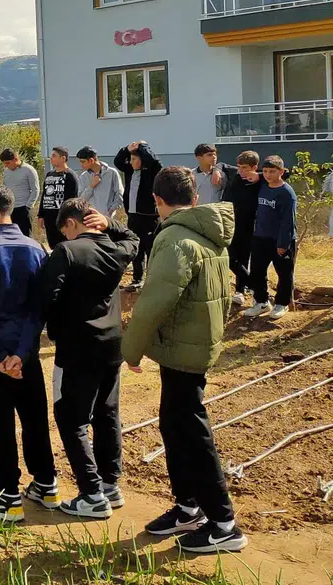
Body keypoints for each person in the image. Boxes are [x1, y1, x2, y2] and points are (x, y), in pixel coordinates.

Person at [121, 166, 247, 554]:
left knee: (191, 430)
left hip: (183, 349)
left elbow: (156, 300)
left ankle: (224, 523)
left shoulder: (176, 238)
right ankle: (188, 507)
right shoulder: (210, 231)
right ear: (194, 198)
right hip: (192, 344)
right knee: (174, 425)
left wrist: (131, 348)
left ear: (157, 201)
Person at [41, 199, 138, 518]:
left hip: (78, 347)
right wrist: (111, 224)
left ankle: (92, 493)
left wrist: (54, 331)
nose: (63, 237)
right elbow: (134, 239)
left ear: (71, 223)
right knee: (107, 413)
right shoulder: (116, 249)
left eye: (63, 230)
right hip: (111, 344)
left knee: (71, 419)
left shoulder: (66, 252)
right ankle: (110, 484)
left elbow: (48, 299)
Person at [0, 185, 58, 522]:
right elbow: (39, 308)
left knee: (1, 421)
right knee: (34, 416)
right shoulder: (36, 247)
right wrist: (22, 352)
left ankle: (7, 497)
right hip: (27, 351)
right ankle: (46, 484)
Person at [244, 156, 298, 321]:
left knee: (284, 273)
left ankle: (281, 304)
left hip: (280, 240)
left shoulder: (286, 193)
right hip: (260, 238)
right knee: (257, 272)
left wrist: (283, 244)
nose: (268, 174)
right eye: (265, 171)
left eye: (272, 171)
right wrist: (259, 175)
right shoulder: (263, 185)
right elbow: (255, 176)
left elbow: (288, 221)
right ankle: (261, 302)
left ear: (281, 172)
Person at [116, 142, 163, 289]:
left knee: (150, 249)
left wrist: (143, 146)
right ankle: (137, 279)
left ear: (142, 160)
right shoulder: (130, 171)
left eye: (135, 159)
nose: (131, 162)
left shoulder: (151, 170)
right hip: (133, 216)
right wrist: (127, 149)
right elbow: (118, 161)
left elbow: (153, 161)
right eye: (130, 159)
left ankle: (152, 280)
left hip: (149, 217)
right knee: (136, 248)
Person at [223, 152, 261, 308]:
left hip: (250, 226)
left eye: (245, 168)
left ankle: (240, 291)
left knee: (244, 258)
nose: (241, 170)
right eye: (239, 167)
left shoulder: (260, 182)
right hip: (230, 224)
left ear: (254, 167)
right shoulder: (234, 176)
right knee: (229, 258)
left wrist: (259, 176)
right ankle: (253, 284)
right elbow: (220, 165)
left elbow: (284, 172)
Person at [38, 147, 79, 249]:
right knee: (53, 245)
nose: (51, 158)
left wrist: (68, 217)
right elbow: (45, 195)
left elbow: (72, 198)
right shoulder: (49, 175)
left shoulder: (70, 175)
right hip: (49, 217)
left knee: (64, 245)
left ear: (63, 158)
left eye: (54, 156)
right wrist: (41, 215)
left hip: (62, 217)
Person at [0, 149, 39, 238]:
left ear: (16, 159)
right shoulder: (6, 171)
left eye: (8, 163)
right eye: (4, 163)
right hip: (10, 209)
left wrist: (28, 206)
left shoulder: (29, 170)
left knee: (25, 236)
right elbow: (5, 188)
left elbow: (35, 189)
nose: (6, 165)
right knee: (11, 237)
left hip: (23, 209)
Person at [76, 146, 124, 218]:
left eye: (83, 162)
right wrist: (91, 186)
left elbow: (119, 194)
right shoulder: (83, 177)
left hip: (109, 218)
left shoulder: (112, 173)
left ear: (91, 160)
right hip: (90, 218)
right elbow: (81, 199)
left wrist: (110, 211)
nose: (81, 165)